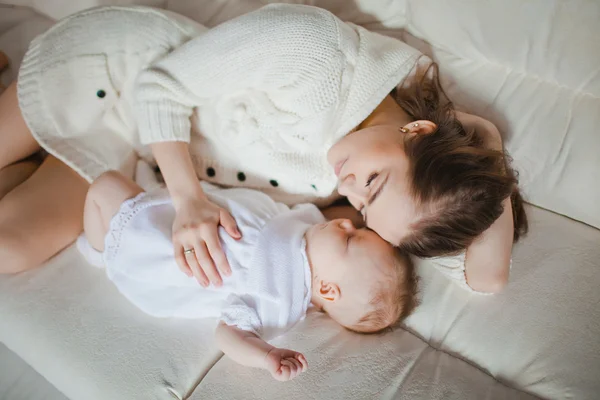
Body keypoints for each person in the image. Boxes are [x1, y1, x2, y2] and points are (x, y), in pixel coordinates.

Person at [0, 4, 527, 293]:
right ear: (418, 132)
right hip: (111, 77)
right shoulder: (312, 48)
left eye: (364, 205)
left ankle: (32, 148)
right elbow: (159, 87)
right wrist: (187, 201)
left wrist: (489, 145)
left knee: (10, 248)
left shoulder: (404, 193)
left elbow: (488, 278)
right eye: (372, 182)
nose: (347, 190)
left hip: (137, 148)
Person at [79, 170, 418, 381]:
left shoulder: (278, 300)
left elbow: (228, 335)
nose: (347, 224)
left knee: (105, 185)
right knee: (110, 184)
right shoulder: (312, 233)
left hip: (155, 247)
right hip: (184, 209)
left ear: (327, 290)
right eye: (358, 228)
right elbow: (348, 214)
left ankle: (97, 250)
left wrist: (264, 355)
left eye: (349, 238)